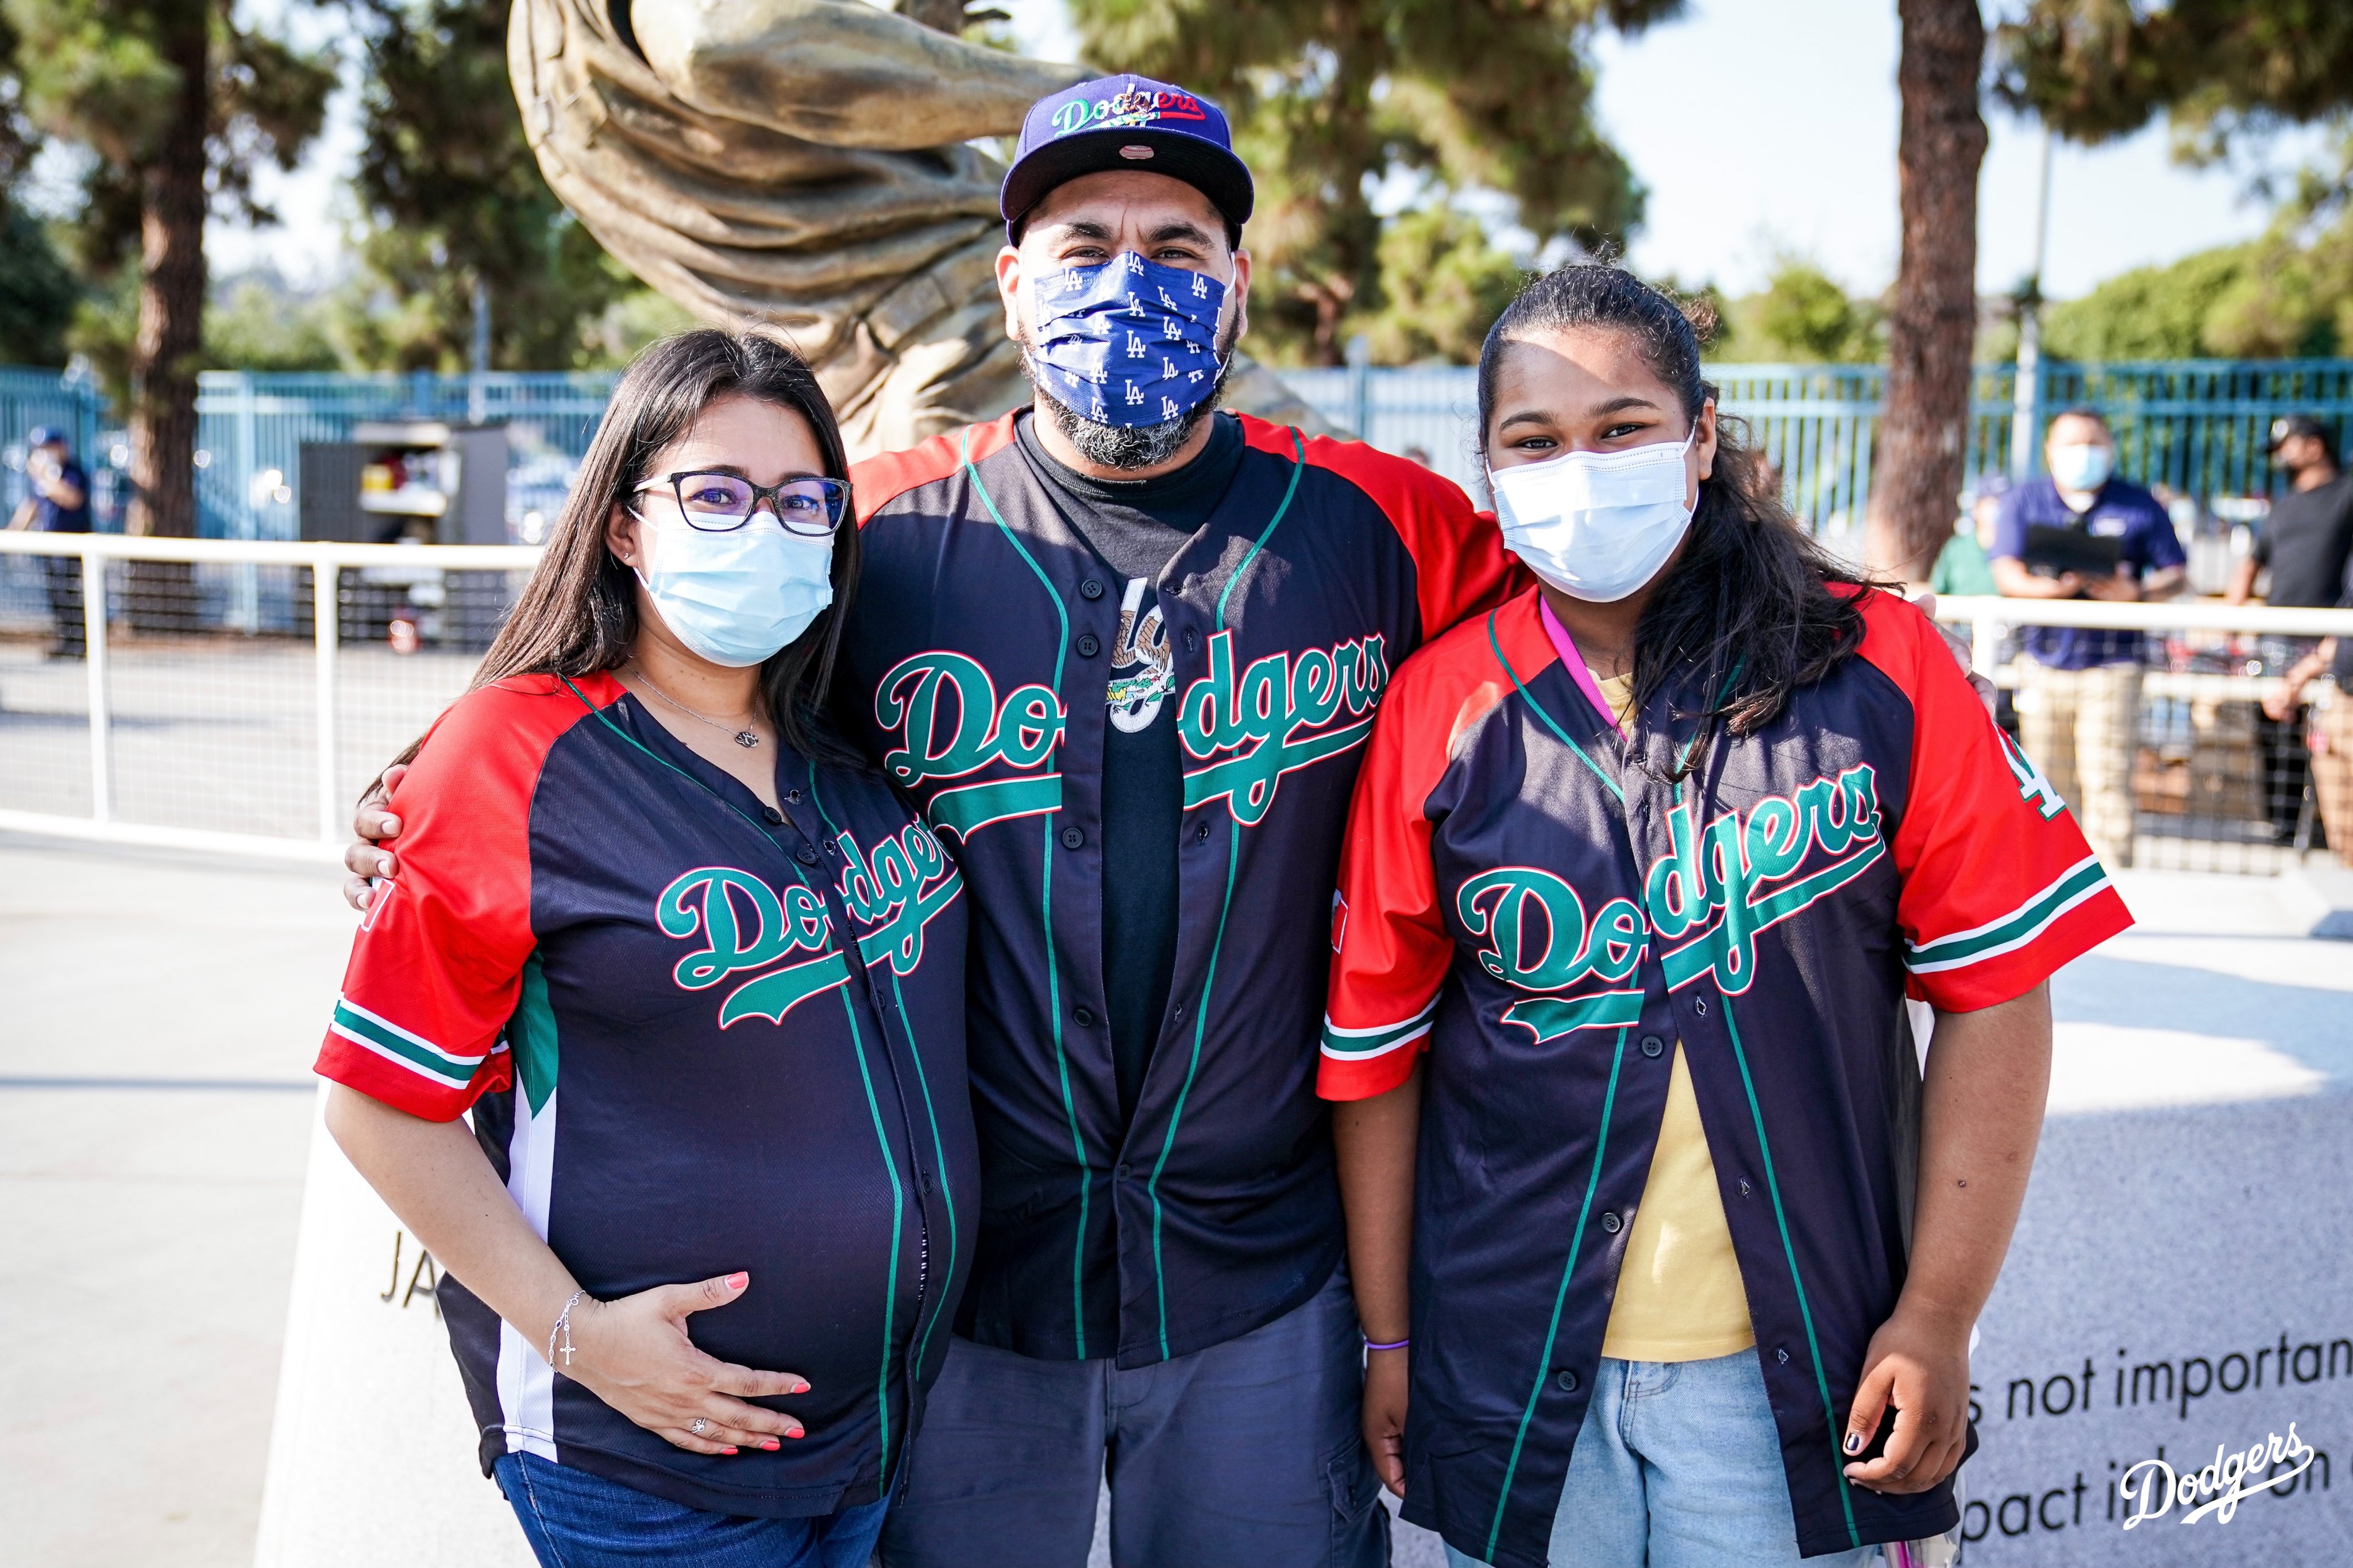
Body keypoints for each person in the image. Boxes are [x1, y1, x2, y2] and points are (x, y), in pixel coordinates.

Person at [351, 72, 1519, 1568]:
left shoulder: (1385, 524)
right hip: (969, 1309)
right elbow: (637, 664)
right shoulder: (875, 527)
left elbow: (1595, 648)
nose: (1129, 281)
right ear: (1011, 284)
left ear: (1240, 285)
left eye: (1175, 246)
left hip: (1262, 1287)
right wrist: (419, 773)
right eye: (1083, 243)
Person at [1321, 262, 2132, 1568]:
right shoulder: (1437, 707)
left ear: (1701, 437)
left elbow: (1998, 990)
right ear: (1486, 471)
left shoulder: (1875, 660)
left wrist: (1938, 1313)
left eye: (1623, 428)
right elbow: (1376, 1059)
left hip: (1798, 1379)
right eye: (1534, 442)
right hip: (1517, 1373)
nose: (1579, 467)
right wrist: (1391, 1340)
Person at [318, 331, 975, 1568]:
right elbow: (377, 1105)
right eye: (714, 495)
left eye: (800, 501)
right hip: (645, 1468)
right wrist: (576, 1335)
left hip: (872, 1439)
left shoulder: (843, 742)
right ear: (624, 523)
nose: (763, 528)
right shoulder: (508, 754)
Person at [1988, 407, 2186, 868]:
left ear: (2110, 447)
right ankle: (2047, 882)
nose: (2084, 454)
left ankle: (2115, 886)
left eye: (2093, 444)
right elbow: (2005, 571)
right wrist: (2049, 590)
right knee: (2046, 784)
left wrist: (2134, 592)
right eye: (2072, 444)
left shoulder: (2138, 504)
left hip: (2113, 664)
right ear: (2050, 451)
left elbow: (2176, 574)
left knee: (2107, 781)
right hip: (2043, 661)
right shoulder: (2025, 500)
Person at [2235, 414, 2353, 847]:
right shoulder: (2283, 506)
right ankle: (2283, 827)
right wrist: (2232, 618)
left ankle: (2319, 831)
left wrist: (2332, 639)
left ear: (2315, 445)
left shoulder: (2346, 495)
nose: (2282, 456)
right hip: (2275, 637)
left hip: (2330, 641)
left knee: (2323, 741)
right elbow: (2252, 562)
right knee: (2275, 736)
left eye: (2288, 444)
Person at [5, 425, 92, 659]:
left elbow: (72, 499)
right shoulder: (46, 475)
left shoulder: (74, 473)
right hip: (50, 546)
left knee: (72, 594)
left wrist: (43, 477)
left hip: (73, 544)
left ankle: (80, 644)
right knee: (56, 594)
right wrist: (12, 534)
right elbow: (32, 506)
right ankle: (65, 640)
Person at [1927, 477, 1999, 598]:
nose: (1997, 509)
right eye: (1990, 503)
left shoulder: (2020, 549)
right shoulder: (1957, 548)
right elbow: (1938, 589)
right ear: (1976, 509)